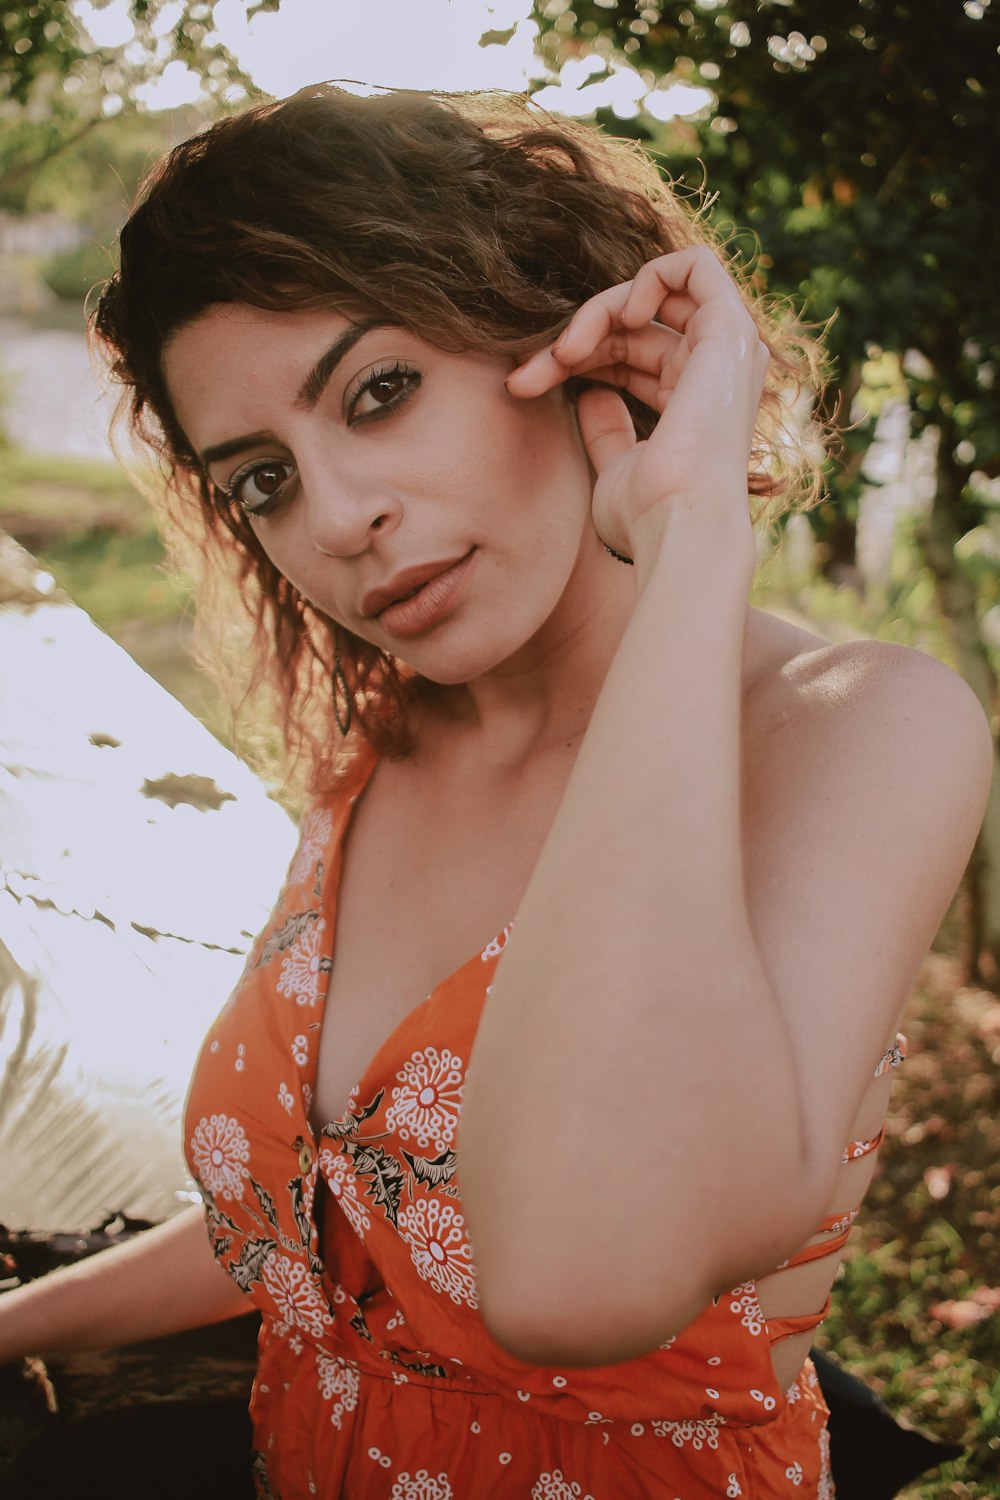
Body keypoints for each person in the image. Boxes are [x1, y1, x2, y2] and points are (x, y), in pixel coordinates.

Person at [0, 84, 990, 1500]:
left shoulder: (856, 733)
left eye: (382, 393)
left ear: (560, 336)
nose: (338, 520)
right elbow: (310, 1221)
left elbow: (581, 1273)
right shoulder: (379, 752)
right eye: (264, 480)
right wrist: (17, 1325)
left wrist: (694, 532)